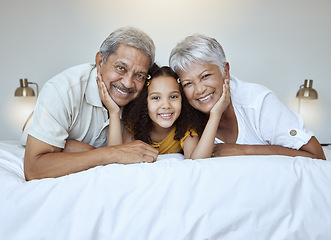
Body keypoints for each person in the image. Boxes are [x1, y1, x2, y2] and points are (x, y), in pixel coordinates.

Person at [24, 27, 159, 180]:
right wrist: (111, 153)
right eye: (121, 68)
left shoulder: (143, 99)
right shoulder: (62, 90)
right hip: (34, 126)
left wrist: (83, 150)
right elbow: (33, 169)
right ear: (100, 62)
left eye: (139, 75)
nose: (128, 83)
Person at [169, 34, 326, 160]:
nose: (200, 90)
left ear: (226, 71)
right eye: (188, 83)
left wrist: (243, 150)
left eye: (205, 76)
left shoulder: (258, 102)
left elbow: (316, 155)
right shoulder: (186, 113)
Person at [98, 64, 230, 159]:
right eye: (156, 98)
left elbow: (197, 161)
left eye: (173, 97)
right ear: (145, 102)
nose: (166, 105)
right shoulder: (134, 127)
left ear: (182, 99)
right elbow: (115, 158)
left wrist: (215, 114)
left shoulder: (186, 129)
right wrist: (114, 112)